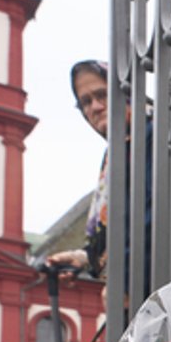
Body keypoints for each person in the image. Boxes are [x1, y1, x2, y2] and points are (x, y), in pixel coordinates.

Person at [44, 61, 152, 282]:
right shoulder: (115, 153)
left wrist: (124, 280)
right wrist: (84, 258)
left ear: (128, 92)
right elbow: (121, 229)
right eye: (85, 102)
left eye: (102, 94)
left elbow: (154, 216)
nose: (94, 107)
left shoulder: (153, 135)